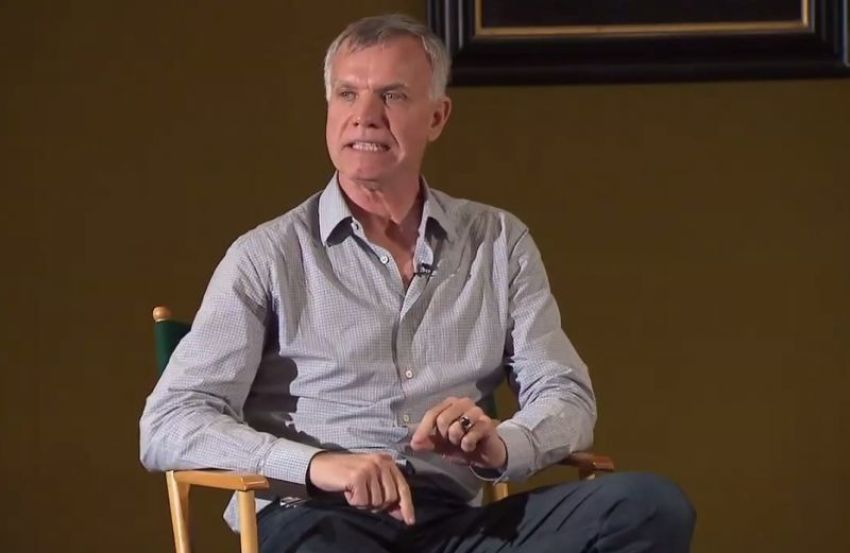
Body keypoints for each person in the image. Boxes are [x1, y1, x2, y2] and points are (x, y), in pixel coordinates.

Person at [140, 13, 695, 553]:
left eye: (393, 95)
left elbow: (565, 394)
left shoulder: (498, 241)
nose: (365, 116)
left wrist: (500, 444)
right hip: (318, 520)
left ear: (437, 116)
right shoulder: (266, 255)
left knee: (649, 506)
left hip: (454, 522)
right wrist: (314, 465)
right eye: (347, 94)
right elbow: (170, 422)